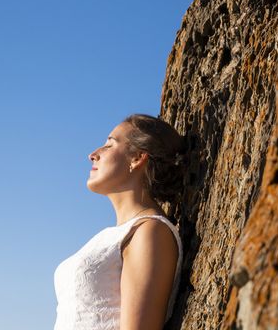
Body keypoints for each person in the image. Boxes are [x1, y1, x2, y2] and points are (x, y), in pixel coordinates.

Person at [54, 114, 186, 330]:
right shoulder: (112, 235)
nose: (92, 154)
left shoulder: (150, 231)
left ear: (137, 158)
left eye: (108, 145)